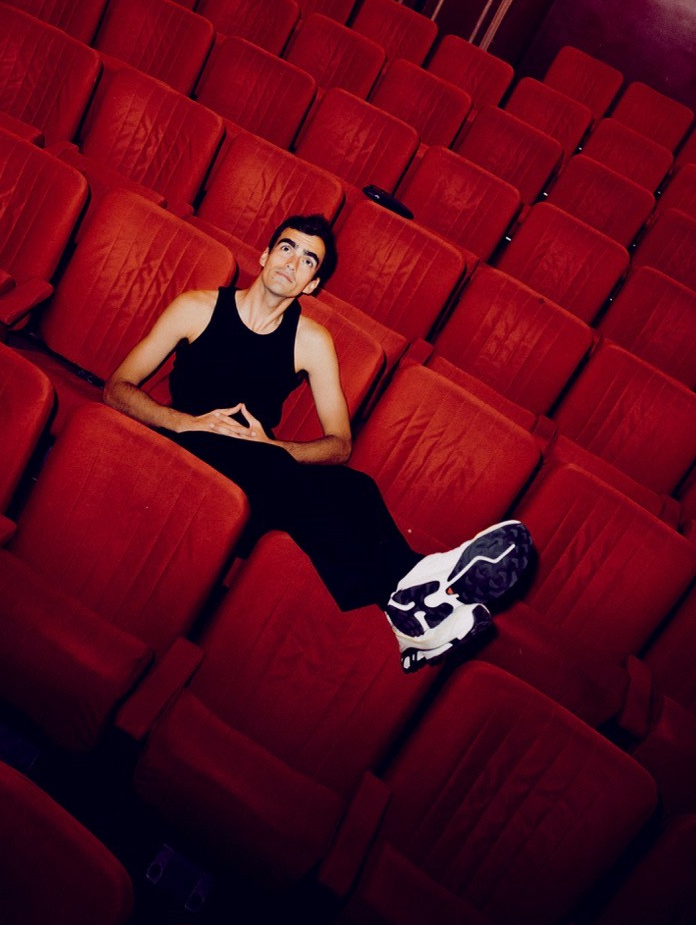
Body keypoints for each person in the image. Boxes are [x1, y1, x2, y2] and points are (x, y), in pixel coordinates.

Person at [104, 213, 533, 672]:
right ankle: (410, 594)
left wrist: (273, 447)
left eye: (308, 260)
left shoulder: (311, 341)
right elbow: (117, 388)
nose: (293, 263)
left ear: (311, 285)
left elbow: (339, 444)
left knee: (357, 487)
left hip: (260, 471)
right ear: (265, 256)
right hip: (184, 448)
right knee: (301, 481)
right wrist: (186, 423)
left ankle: (410, 607)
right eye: (287, 248)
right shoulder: (197, 308)